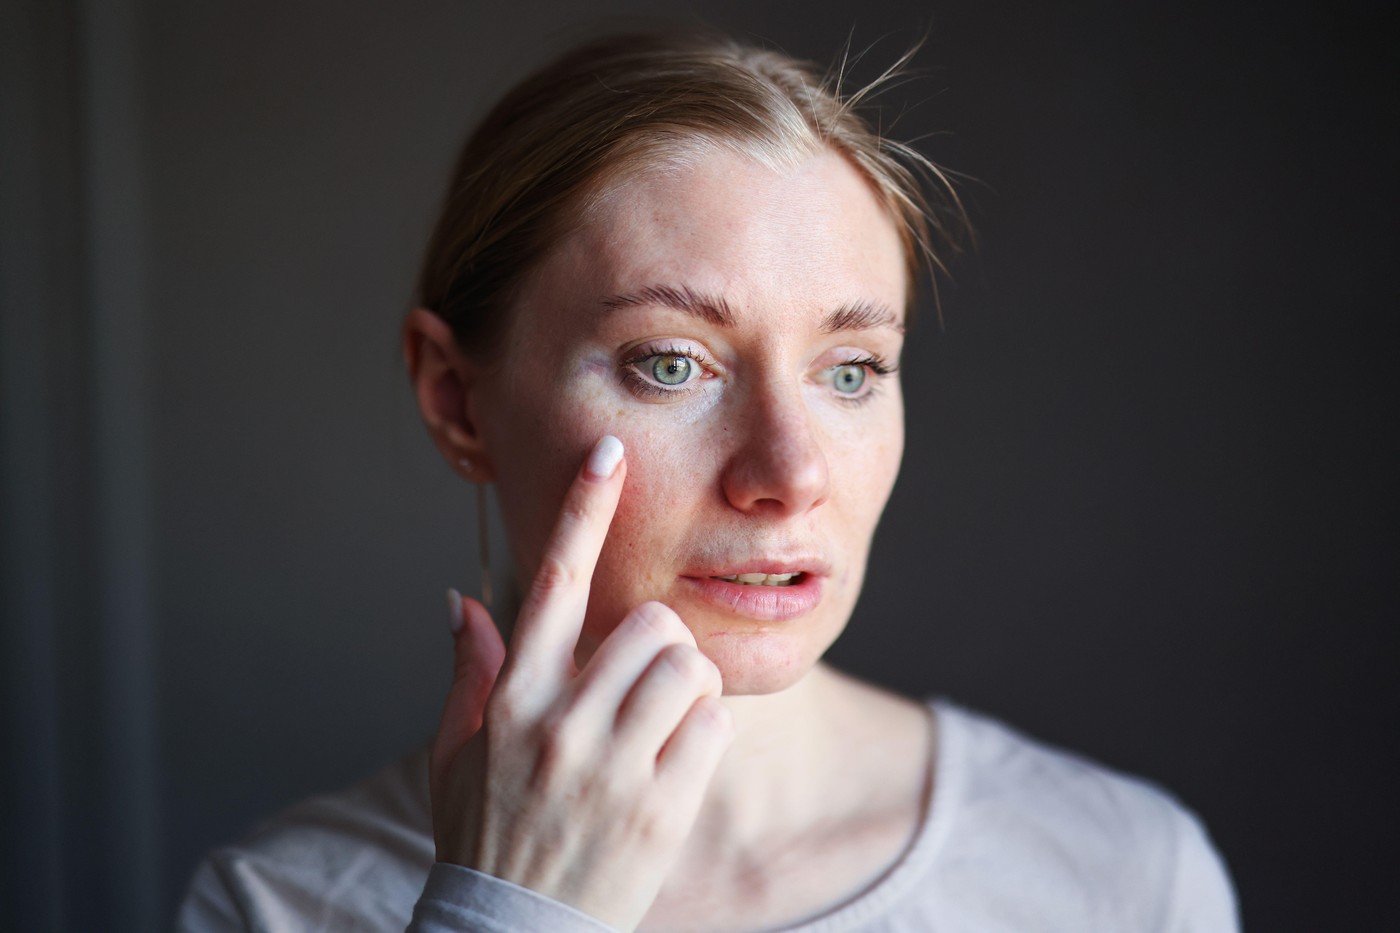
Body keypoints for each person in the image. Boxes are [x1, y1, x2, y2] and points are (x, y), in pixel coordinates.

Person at [177, 30, 1240, 932]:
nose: (788, 473)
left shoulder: (1123, 878)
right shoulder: (278, 905)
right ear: (458, 400)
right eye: (669, 364)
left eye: (851, 370)